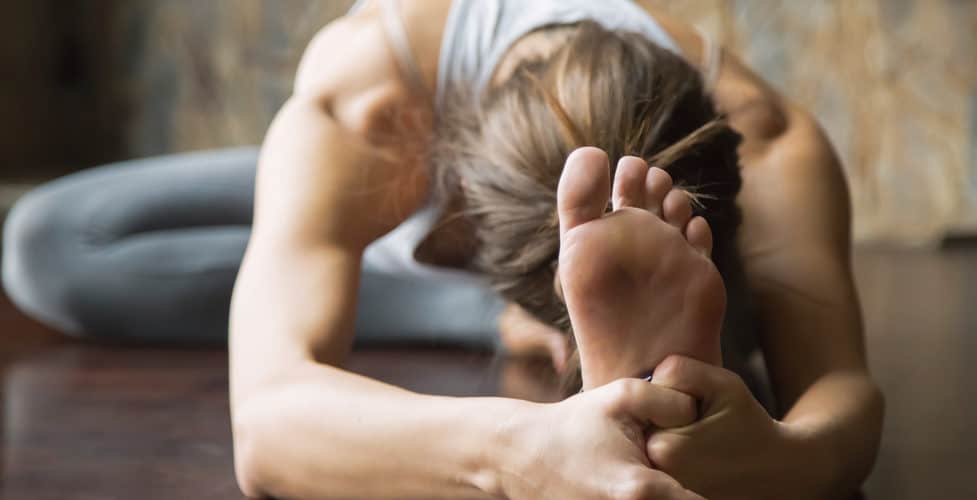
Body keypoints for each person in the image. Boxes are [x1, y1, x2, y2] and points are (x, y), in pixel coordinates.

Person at [1, 0, 884, 498]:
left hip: (606, 231)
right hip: (394, 208)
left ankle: (648, 358)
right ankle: (544, 340)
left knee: (740, 328)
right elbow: (265, 425)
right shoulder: (371, 98)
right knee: (48, 241)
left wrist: (790, 459)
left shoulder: (769, 144)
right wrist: (522, 450)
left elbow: (843, 391)